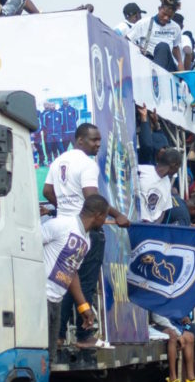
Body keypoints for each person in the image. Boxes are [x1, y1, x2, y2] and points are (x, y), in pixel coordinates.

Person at [43, 124, 131, 349]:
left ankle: (59, 335)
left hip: (64, 224)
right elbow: (92, 197)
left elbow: (47, 192)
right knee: (85, 283)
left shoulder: (58, 160)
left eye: (99, 140)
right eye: (94, 140)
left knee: (63, 280)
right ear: (79, 140)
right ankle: (84, 337)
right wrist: (117, 214)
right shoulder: (87, 164)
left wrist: (63, 208)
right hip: (83, 229)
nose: (98, 144)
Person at [42, 195, 108, 362]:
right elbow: (29, 244)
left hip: (55, 302)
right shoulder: (61, 225)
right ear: (98, 215)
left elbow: (72, 272)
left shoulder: (86, 241)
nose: (105, 222)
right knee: (37, 357)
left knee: (49, 358)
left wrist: (83, 306)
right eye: (105, 217)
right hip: (39, 298)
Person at [126, 0, 184, 73]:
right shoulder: (144, 23)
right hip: (148, 61)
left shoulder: (175, 27)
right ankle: (157, 75)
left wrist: (181, 68)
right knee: (162, 46)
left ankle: (158, 75)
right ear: (159, 9)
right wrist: (138, 48)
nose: (166, 18)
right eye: (164, 14)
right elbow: (126, 39)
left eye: (170, 16)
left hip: (167, 65)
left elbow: (175, 48)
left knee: (163, 46)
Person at [137, 148, 182, 223]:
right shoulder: (141, 170)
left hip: (147, 227)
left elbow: (163, 210)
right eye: (179, 167)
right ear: (175, 165)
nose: (178, 170)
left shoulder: (168, 184)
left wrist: (155, 226)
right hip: (132, 221)